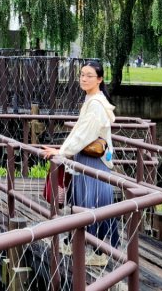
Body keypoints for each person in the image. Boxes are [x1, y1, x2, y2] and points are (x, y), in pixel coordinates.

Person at [41, 60, 119, 265]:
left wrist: (62, 151)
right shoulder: (93, 99)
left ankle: (100, 252)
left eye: (89, 75)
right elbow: (81, 132)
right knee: (85, 202)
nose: (84, 78)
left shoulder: (95, 103)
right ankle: (77, 242)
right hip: (89, 159)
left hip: (94, 162)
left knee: (91, 203)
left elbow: (84, 134)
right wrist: (64, 151)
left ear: (99, 79)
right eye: (82, 74)